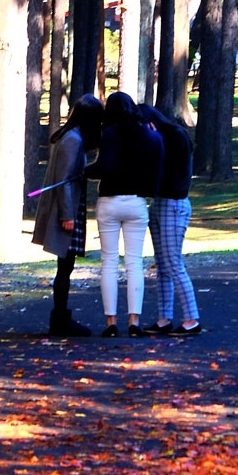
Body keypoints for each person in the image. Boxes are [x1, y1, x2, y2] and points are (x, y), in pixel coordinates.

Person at [86, 91, 164, 338]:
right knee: (134, 262)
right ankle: (134, 321)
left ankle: (111, 322)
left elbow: (103, 167)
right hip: (136, 202)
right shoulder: (148, 135)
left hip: (109, 201)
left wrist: (84, 171)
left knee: (109, 261)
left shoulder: (109, 134)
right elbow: (158, 158)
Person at [32, 94, 104, 337]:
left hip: (72, 207)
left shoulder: (71, 137)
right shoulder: (72, 140)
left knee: (67, 265)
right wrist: (67, 214)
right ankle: (60, 319)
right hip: (68, 209)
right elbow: (63, 181)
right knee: (65, 265)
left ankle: (61, 317)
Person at [139, 104, 201, 336]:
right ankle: (164, 318)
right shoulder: (161, 138)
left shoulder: (175, 136)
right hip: (159, 202)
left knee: (174, 263)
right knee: (163, 265)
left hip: (173, 203)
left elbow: (172, 174)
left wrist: (156, 144)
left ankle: (191, 318)